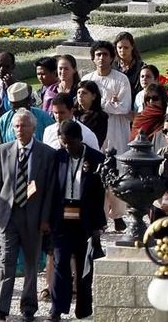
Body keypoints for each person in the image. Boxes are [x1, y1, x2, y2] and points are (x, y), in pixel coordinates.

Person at [0, 110, 57, 322]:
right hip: (9, 215)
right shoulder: (3, 150)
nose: (19, 130)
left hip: (34, 217)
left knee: (31, 263)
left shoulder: (46, 153)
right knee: (6, 262)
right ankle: (1, 307)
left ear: (33, 128)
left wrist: (45, 219)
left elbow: (49, 190)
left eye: (24, 126)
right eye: (16, 126)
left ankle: (28, 306)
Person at [48, 120, 105, 322]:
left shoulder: (97, 159)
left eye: (70, 143)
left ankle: (84, 310)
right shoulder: (57, 158)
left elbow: (99, 194)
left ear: (79, 140)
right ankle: (57, 308)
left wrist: (98, 225)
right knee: (61, 262)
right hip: (62, 220)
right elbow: (52, 191)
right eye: (63, 142)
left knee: (84, 268)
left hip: (85, 221)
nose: (67, 146)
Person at [74, 81, 108, 149]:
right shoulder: (73, 113)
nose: (80, 95)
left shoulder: (101, 117)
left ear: (93, 96)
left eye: (84, 93)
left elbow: (99, 140)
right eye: (78, 92)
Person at [113, 32, 144, 98]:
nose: (122, 51)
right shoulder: (112, 66)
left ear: (132, 47)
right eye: (120, 47)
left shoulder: (141, 67)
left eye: (126, 48)